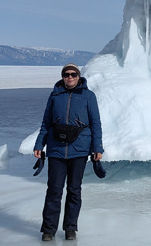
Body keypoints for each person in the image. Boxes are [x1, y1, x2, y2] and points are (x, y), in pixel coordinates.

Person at [34, 63, 104, 241]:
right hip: (56, 150)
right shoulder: (55, 95)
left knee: (74, 190)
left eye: (73, 74)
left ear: (78, 76)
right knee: (54, 190)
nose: (70, 77)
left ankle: (70, 228)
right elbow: (46, 123)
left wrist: (97, 148)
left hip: (79, 151)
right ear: (62, 76)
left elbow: (96, 124)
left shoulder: (88, 96)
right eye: (66, 74)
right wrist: (39, 145)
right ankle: (48, 229)